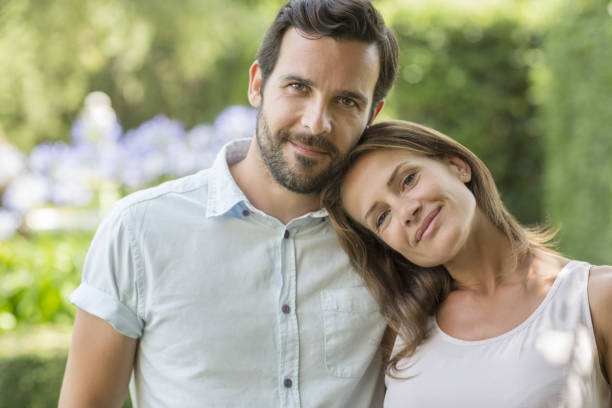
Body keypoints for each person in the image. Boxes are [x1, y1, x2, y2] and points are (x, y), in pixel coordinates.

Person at [58, 1, 399, 407]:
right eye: (298, 87)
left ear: (371, 115)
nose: (315, 121)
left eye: (346, 101)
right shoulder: (138, 230)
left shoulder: (390, 239)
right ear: (257, 84)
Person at [322, 120, 612, 407]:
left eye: (408, 180)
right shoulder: (400, 331)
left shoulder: (596, 299)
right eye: (382, 217)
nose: (406, 211)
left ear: (456, 165)